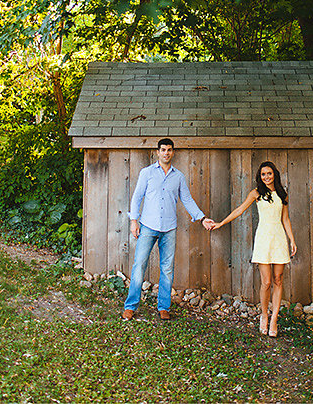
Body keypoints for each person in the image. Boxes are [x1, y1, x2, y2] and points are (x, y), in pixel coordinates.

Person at [123, 138, 214, 321]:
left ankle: (163, 307)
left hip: (169, 228)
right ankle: (130, 306)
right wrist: (134, 221)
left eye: (169, 150)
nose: (166, 153)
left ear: (173, 152)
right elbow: (136, 197)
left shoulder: (178, 176)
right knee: (139, 265)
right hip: (148, 226)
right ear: (158, 152)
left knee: (167, 269)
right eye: (163, 149)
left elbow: (187, 199)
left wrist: (202, 218)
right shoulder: (147, 173)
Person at [208, 161, 297, 337]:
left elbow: (285, 219)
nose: (266, 177)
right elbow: (240, 210)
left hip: (279, 239)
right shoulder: (256, 193)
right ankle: (264, 315)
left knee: (278, 279)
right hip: (263, 238)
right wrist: (221, 223)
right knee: (266, 282)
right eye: (263, 174)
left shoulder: (282, 194)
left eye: (269, 174)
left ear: (275, 175)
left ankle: (274, 320)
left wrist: (292, 240)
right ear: (260, 176)